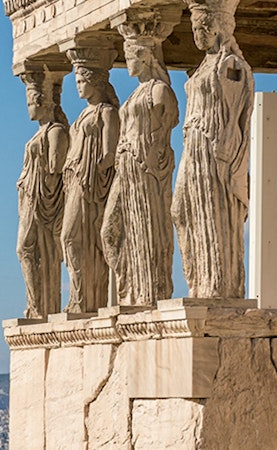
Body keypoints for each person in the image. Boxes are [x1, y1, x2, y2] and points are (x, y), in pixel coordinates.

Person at [173, 0, 253, 299]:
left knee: (214, 212)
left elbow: (236, 113)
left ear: (218, 28)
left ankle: (218, 285)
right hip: (193, 144)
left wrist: (227, 151)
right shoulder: (203, 66)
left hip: (214, 145)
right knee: (181, 210)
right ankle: (198, 280)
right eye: (195, 27)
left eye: (202, 28)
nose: (197, 34)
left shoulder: (231, 65)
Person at [101, 20, 180, 305]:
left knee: (147, 228)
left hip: (146, 169)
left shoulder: (159, 91)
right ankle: (130, 288)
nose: (128, 62)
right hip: (126, 169)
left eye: (131, 55)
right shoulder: (136, 93)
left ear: (146, 56)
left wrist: (150, 156)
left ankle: (149, 293)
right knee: (110, 231)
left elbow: (170, 122)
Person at [61, 57, 120, 313]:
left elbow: (110, 154)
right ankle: (79, 297)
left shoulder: (106, 112)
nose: (78, 86)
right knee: (71, 239)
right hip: (74, 181)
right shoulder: (83, 113)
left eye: (83, 81)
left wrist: (92, 173)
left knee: (73, 237)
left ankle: (86, 299)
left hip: (90, 184)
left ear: (96, 81)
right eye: (77, 81)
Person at [16, 72, 69, 318]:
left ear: (44, 102)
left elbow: (55, 169)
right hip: (29, 198)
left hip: (42, 200)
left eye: (31, 102)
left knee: (27, 248)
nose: (29, 109)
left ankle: (41, 306)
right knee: (27, 249)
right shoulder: (39, 134)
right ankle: (37, 305)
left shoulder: (56, 131)